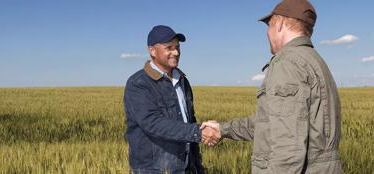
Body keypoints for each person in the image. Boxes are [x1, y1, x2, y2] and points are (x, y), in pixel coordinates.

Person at [202, 0, 343, 173]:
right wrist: (223, 129)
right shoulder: (314, 61)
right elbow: (273, 123)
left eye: (269, 26)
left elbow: (287, 147)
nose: (267, 33)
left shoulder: (287, 63)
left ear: (280, 23)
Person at [124, 25, 219, 174]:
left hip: (186, 166)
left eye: (177, 47)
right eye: (169, 48)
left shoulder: (182, 80)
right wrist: (199, 133)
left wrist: (197, 163)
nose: (176, 52)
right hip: (155, 169)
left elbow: (189, 120)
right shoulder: (138, 84)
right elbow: (153, 123)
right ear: (153, 51)